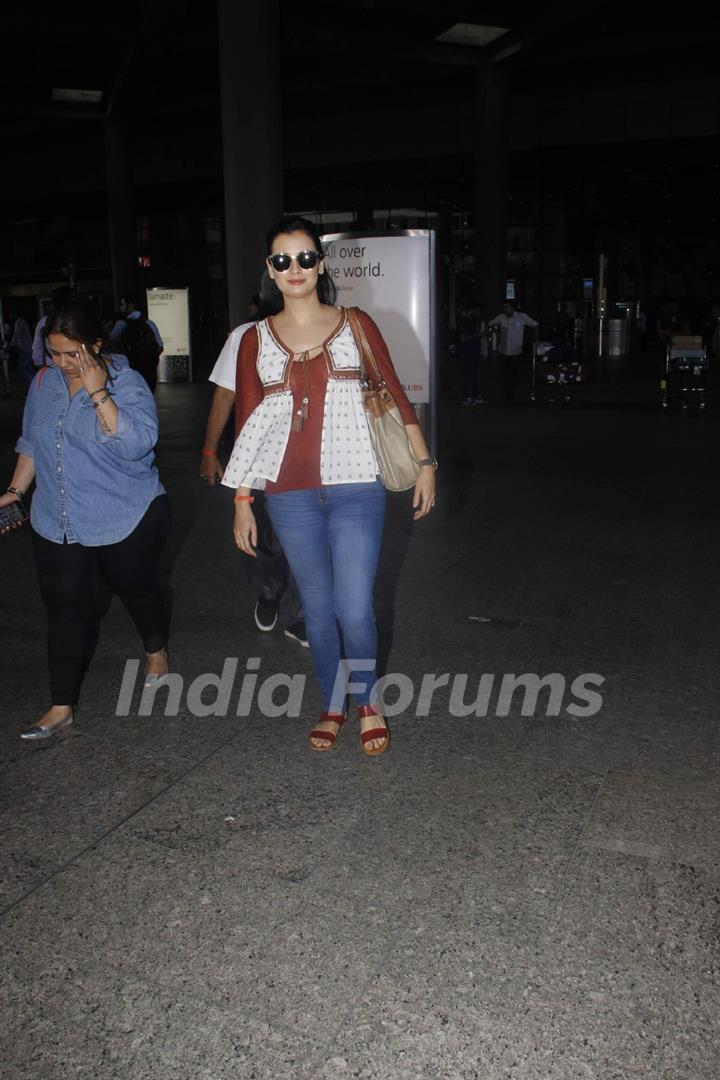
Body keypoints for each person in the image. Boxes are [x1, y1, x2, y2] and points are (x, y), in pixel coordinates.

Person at [222, 216, 436, 756]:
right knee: (315, 608)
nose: (295, 269)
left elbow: (393, 392)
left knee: (355, 606)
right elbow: (247, 421)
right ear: (269, 270)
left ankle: (367, 702)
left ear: (321, 263)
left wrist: (425, 461)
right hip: (288, 493)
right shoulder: (253, 339)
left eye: (305, 257)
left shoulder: (356, 323)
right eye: (282, 260)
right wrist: (243, 499)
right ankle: (333, 703)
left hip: (356, 484)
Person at [0, 302, 170, 740]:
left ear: (95, 345)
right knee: (65, 610)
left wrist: (98, 394)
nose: (62, 364)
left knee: (136, 589)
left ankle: (155, 647)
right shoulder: (44, 383)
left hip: (124, 514)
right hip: (57, 518)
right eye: (54, 354)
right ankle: (61, 706)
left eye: (70, 354)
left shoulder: (125, 381)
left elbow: (138, 445)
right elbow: (32, 442)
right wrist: (15, 492)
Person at [200, 297, 306, 646]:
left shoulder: (320, 331)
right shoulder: (246, 337)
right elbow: (224, 396)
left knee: (307, 538)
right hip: (259, 460)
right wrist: (210, 450)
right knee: (266, 539)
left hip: (309, 460)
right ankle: (268, 593)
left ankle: (298, 614)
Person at [111, 292, 164, 392]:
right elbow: (160, 346)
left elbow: (110, 345)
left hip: (130, 373)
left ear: (130, 306)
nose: (120, 308)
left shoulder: (121, 325)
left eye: (122, 304)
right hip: (149, 373)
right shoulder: (149, 323)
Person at [489, 299, 538, 404]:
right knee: (504, 374)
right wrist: (497, 332)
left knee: (514, 374)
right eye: (504, 308)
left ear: (513, 308)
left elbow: (535, 325)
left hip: (516, 351)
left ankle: (511, 394)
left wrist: (535, 340)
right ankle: (507, 394)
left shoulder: (522, 317)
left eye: (507, 307)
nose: (505, 310)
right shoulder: (501, 317)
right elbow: (490, 324)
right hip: (503, 351)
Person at [31, 285, 77, 369]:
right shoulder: (78, 320)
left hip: (53, 369)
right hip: (78, 370)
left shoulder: (44, 322)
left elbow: (37, 354)